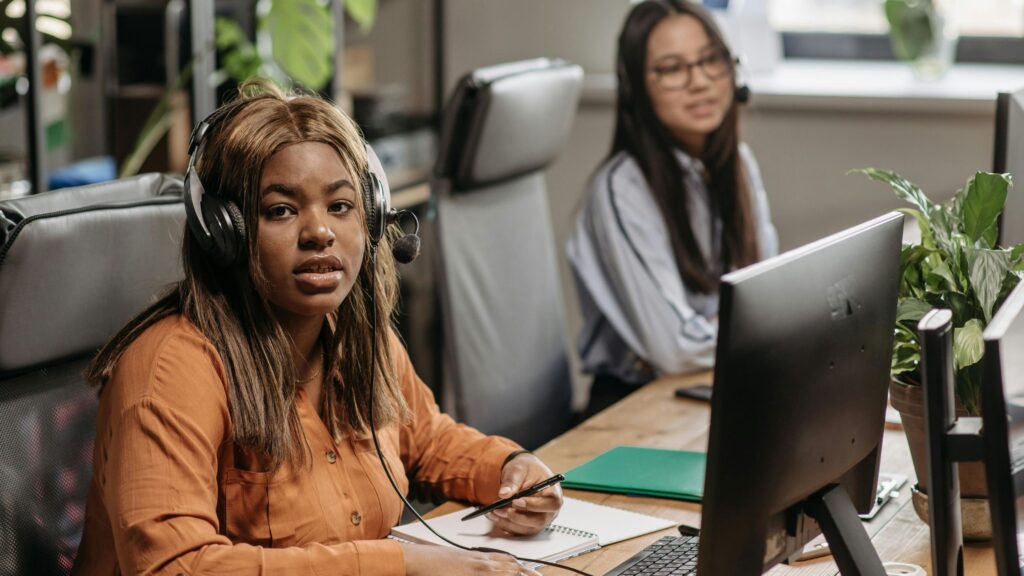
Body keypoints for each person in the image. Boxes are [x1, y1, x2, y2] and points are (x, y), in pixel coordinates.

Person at [72, 80, 562, 576]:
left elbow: (426, 437)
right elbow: (176, 567)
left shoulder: (357, 338)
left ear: (370, 216)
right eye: (281, 210)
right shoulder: (170, 371)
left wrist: (510, 469)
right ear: (225, 231)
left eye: (340, 205)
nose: (320, 232)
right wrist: (402, 564)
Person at [567, 0, 779, 415]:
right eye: (671, 68)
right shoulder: (621, 188)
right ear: (636, 88)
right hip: (631, 407)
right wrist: (738, 328)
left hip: (708, 384)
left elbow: (767, 297)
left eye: (710, 60)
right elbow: (674, 350)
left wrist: (711, 330)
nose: (699, 81)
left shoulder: (738, 162)